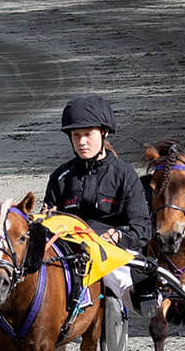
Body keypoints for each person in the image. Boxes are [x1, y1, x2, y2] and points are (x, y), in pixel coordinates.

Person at [43, 95, 156, 313]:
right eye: (76, 135)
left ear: (103, 133)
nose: (82, 142)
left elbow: (142, 229)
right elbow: (47, 221)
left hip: (111, 253)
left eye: (88, 134)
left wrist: (116, 236)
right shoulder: (60, 177)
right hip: (68, 251)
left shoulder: (125, 175)